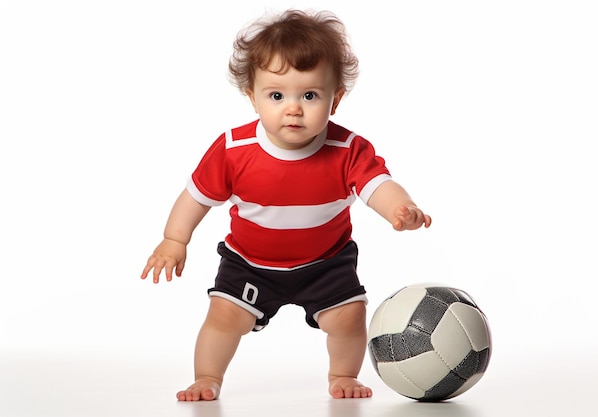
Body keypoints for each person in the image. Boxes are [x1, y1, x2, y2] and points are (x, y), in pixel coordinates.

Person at [141, 9, 431, 401]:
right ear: (253, 97)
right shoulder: (232, 150)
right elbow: (195, 197)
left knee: (349, 316)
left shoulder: (346, 149)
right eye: (277, 95)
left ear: (335, 100)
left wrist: (401, 208)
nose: (293, 108)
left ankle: (342, 375)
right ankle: (207, 377)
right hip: (249, 262)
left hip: (326, 262)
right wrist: (174, 239)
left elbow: (379, 186)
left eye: (310, 95)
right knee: (224, 317)